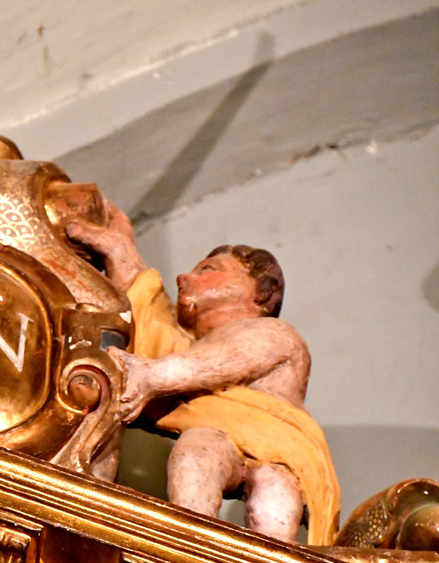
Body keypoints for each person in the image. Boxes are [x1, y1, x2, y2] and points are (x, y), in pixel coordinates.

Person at [67, 201, 339, 544]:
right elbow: (152, 325)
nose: (184, 277)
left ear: (258, 291)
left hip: (282, 447)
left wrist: (151, 376)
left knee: (276, 488)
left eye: (208, 269)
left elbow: (219, 362)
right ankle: (192, 548)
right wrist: (121, 253)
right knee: (196, 451)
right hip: (218, 436)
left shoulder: (273, 333)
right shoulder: (188, 347)